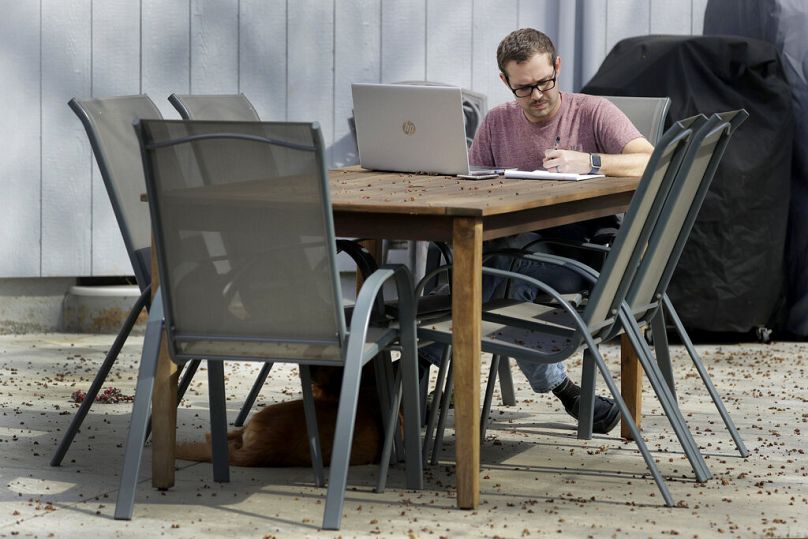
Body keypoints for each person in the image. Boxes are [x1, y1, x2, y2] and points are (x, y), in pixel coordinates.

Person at [421, 28, 653, 435]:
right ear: (505, 82)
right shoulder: (497, 122)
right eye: (524, 88)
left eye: (545, 82)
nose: (538, 95)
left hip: (581, 252)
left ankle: (415, 367)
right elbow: (474, 183)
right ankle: (562, 387)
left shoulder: (592, 111)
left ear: (557, 66)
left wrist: (592, 163)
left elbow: (651, 161)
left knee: (493, 275)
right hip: (513, 245)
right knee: (491, 267)